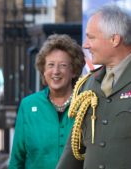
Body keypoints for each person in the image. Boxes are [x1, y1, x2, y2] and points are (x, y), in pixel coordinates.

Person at [57, 4, 131, 169]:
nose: (85, 45)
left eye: (91, 37)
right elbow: (74, 147)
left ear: (115, 39)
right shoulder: (89, 83)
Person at [8, 34, 85, 169]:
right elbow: (17, 158)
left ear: (73, 71)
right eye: (50, 65)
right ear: (43, 70)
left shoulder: (85, 104)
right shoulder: (28, 105)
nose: (56, 71)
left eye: (63, 65)